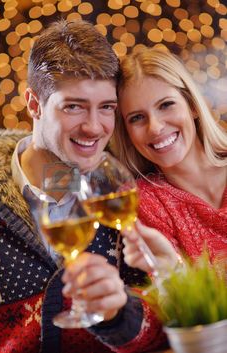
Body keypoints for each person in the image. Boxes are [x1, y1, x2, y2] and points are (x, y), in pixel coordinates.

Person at [0, 20, 177, 353]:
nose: (94, 128)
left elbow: (163, 333)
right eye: (73, 106)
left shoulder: (121, 199)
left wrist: (118, 314)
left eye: (106, 107)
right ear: (34, 104)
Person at [112, 46, 227, 339]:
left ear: (190, 103)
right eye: (137, 118)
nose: (156, 128)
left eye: (166, 105)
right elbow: (186, 313)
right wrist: (169, 265)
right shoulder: (144, 202)